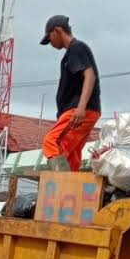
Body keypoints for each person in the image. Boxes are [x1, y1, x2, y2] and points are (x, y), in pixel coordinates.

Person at [40, 15, 101, 172]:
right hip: (81, 110)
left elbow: (90, 75)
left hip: (79, 110)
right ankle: (71, 191)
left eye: (50, 38)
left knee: (52, 142)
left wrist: (81, 107)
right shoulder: (70, 54)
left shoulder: (76, 47)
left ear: (57, 31)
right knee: (71, 155)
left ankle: (61, 185)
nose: (50, 44)